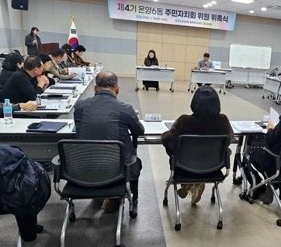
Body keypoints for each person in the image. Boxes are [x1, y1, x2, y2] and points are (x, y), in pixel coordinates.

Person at [74, 71, 145, 212]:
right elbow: (139, 131)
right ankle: (116, 198)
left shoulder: (80, 106)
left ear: (95, 88)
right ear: (117, 89)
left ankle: (99, 194)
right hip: (117, 170)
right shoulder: (125, 109)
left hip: (84, 167)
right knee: (136, 162)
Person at [161, 86, 233, 205]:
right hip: (213, 169)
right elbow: (229, 140)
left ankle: (190, 183)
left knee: (178, 153)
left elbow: (169, 142)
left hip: (184, 168)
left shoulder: (184, 121)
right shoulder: (223, 121)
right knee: (205, 156)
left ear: (194, 102)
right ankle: (197, 183)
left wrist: (164, 135)